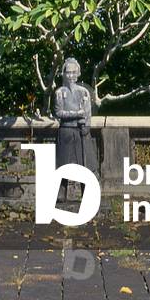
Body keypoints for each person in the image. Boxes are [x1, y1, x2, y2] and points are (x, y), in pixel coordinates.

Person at [53, 58, 98, 200]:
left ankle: (87, 193)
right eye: (68, 72)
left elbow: (87, 112)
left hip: (81, 131)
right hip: (65, 131)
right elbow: (59, 113)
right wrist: (76, 114)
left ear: (78, 73)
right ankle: (61, 193)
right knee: (63, 164)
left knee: (85, 163)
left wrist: (87, 125)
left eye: (74, 72)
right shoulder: (59, 93)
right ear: (63, 74)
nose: (71, 76)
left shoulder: (84, 92)